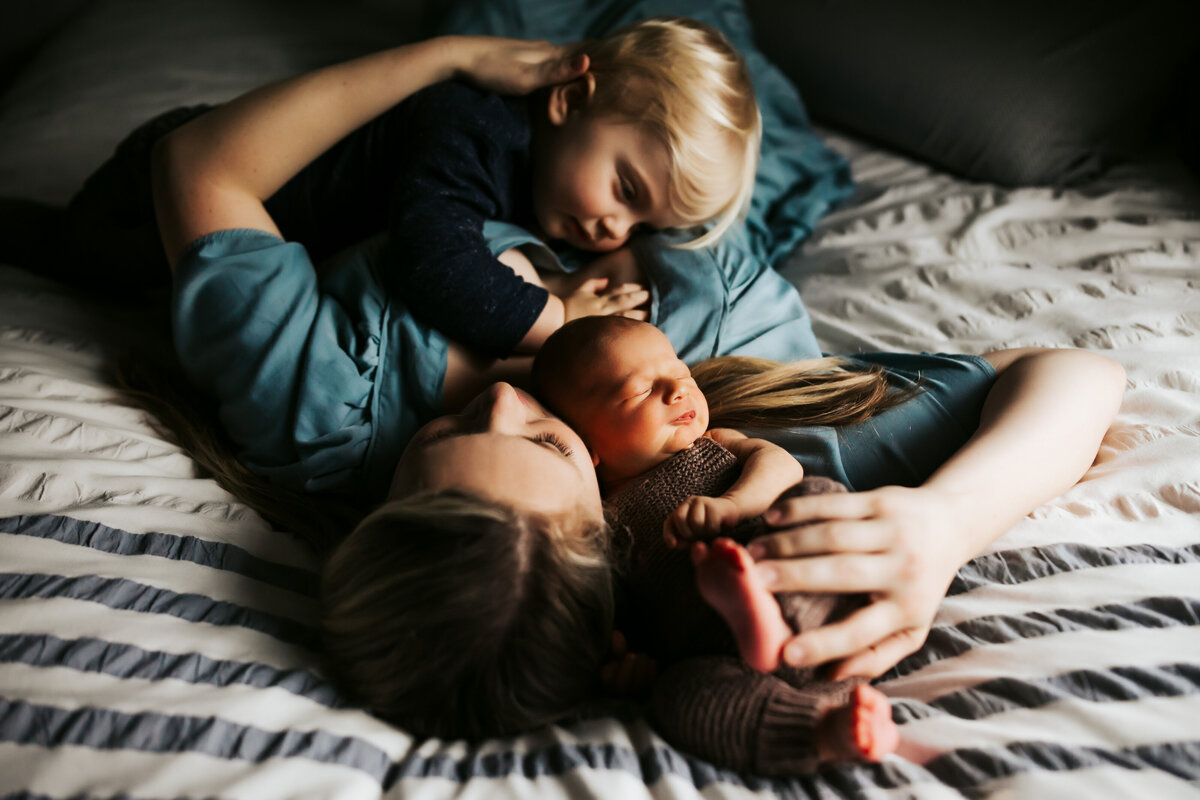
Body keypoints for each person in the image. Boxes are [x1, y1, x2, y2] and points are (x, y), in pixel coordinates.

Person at [531, 315, 902, 773]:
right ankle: (823, 728)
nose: (678, 390)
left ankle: (771, 617)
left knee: (820, 500)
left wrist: (734, 505)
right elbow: (607, 606)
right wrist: (627, 663)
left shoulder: (716, 441)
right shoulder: (598, 516)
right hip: (732, 654)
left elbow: (784, 466)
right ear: (587, 443)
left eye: (681, 374)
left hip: (802, 586)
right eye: (642, 391)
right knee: (676, 697)